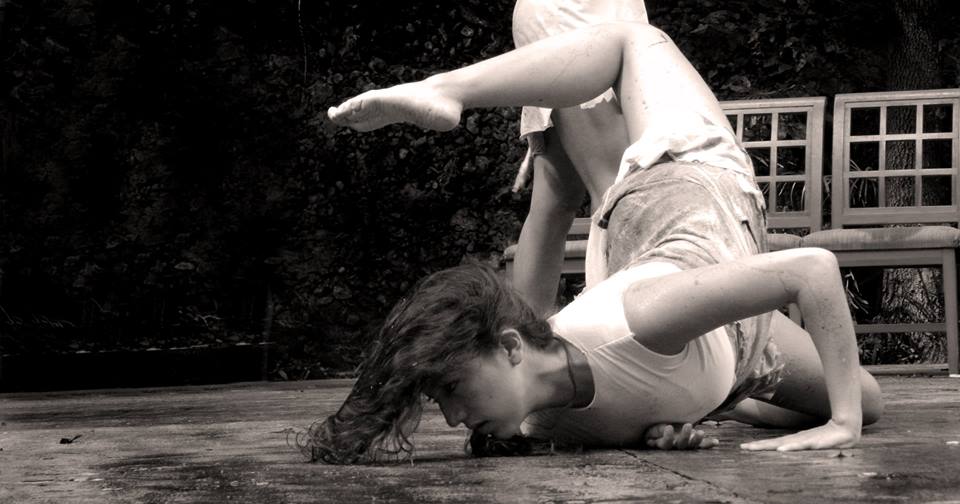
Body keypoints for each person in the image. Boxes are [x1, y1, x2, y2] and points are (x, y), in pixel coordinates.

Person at [317, 22, 884, 463]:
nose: (451, 418)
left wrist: (843, 426)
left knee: (632, 42)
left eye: (451, 388)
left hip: (683, 190)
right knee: (866, 397)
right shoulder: (533, 422)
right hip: (722, 338)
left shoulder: (642, 321)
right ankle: (725, 400)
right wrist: (695, 413)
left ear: (512, 347)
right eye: (441, 399)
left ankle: (444, 89)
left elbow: (813, 269)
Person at [508, 0, 648, 316]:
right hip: (576, 15)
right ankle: (621, 326)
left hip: (584, 16)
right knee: (616, 188)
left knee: (556, 201)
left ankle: (525, 335)